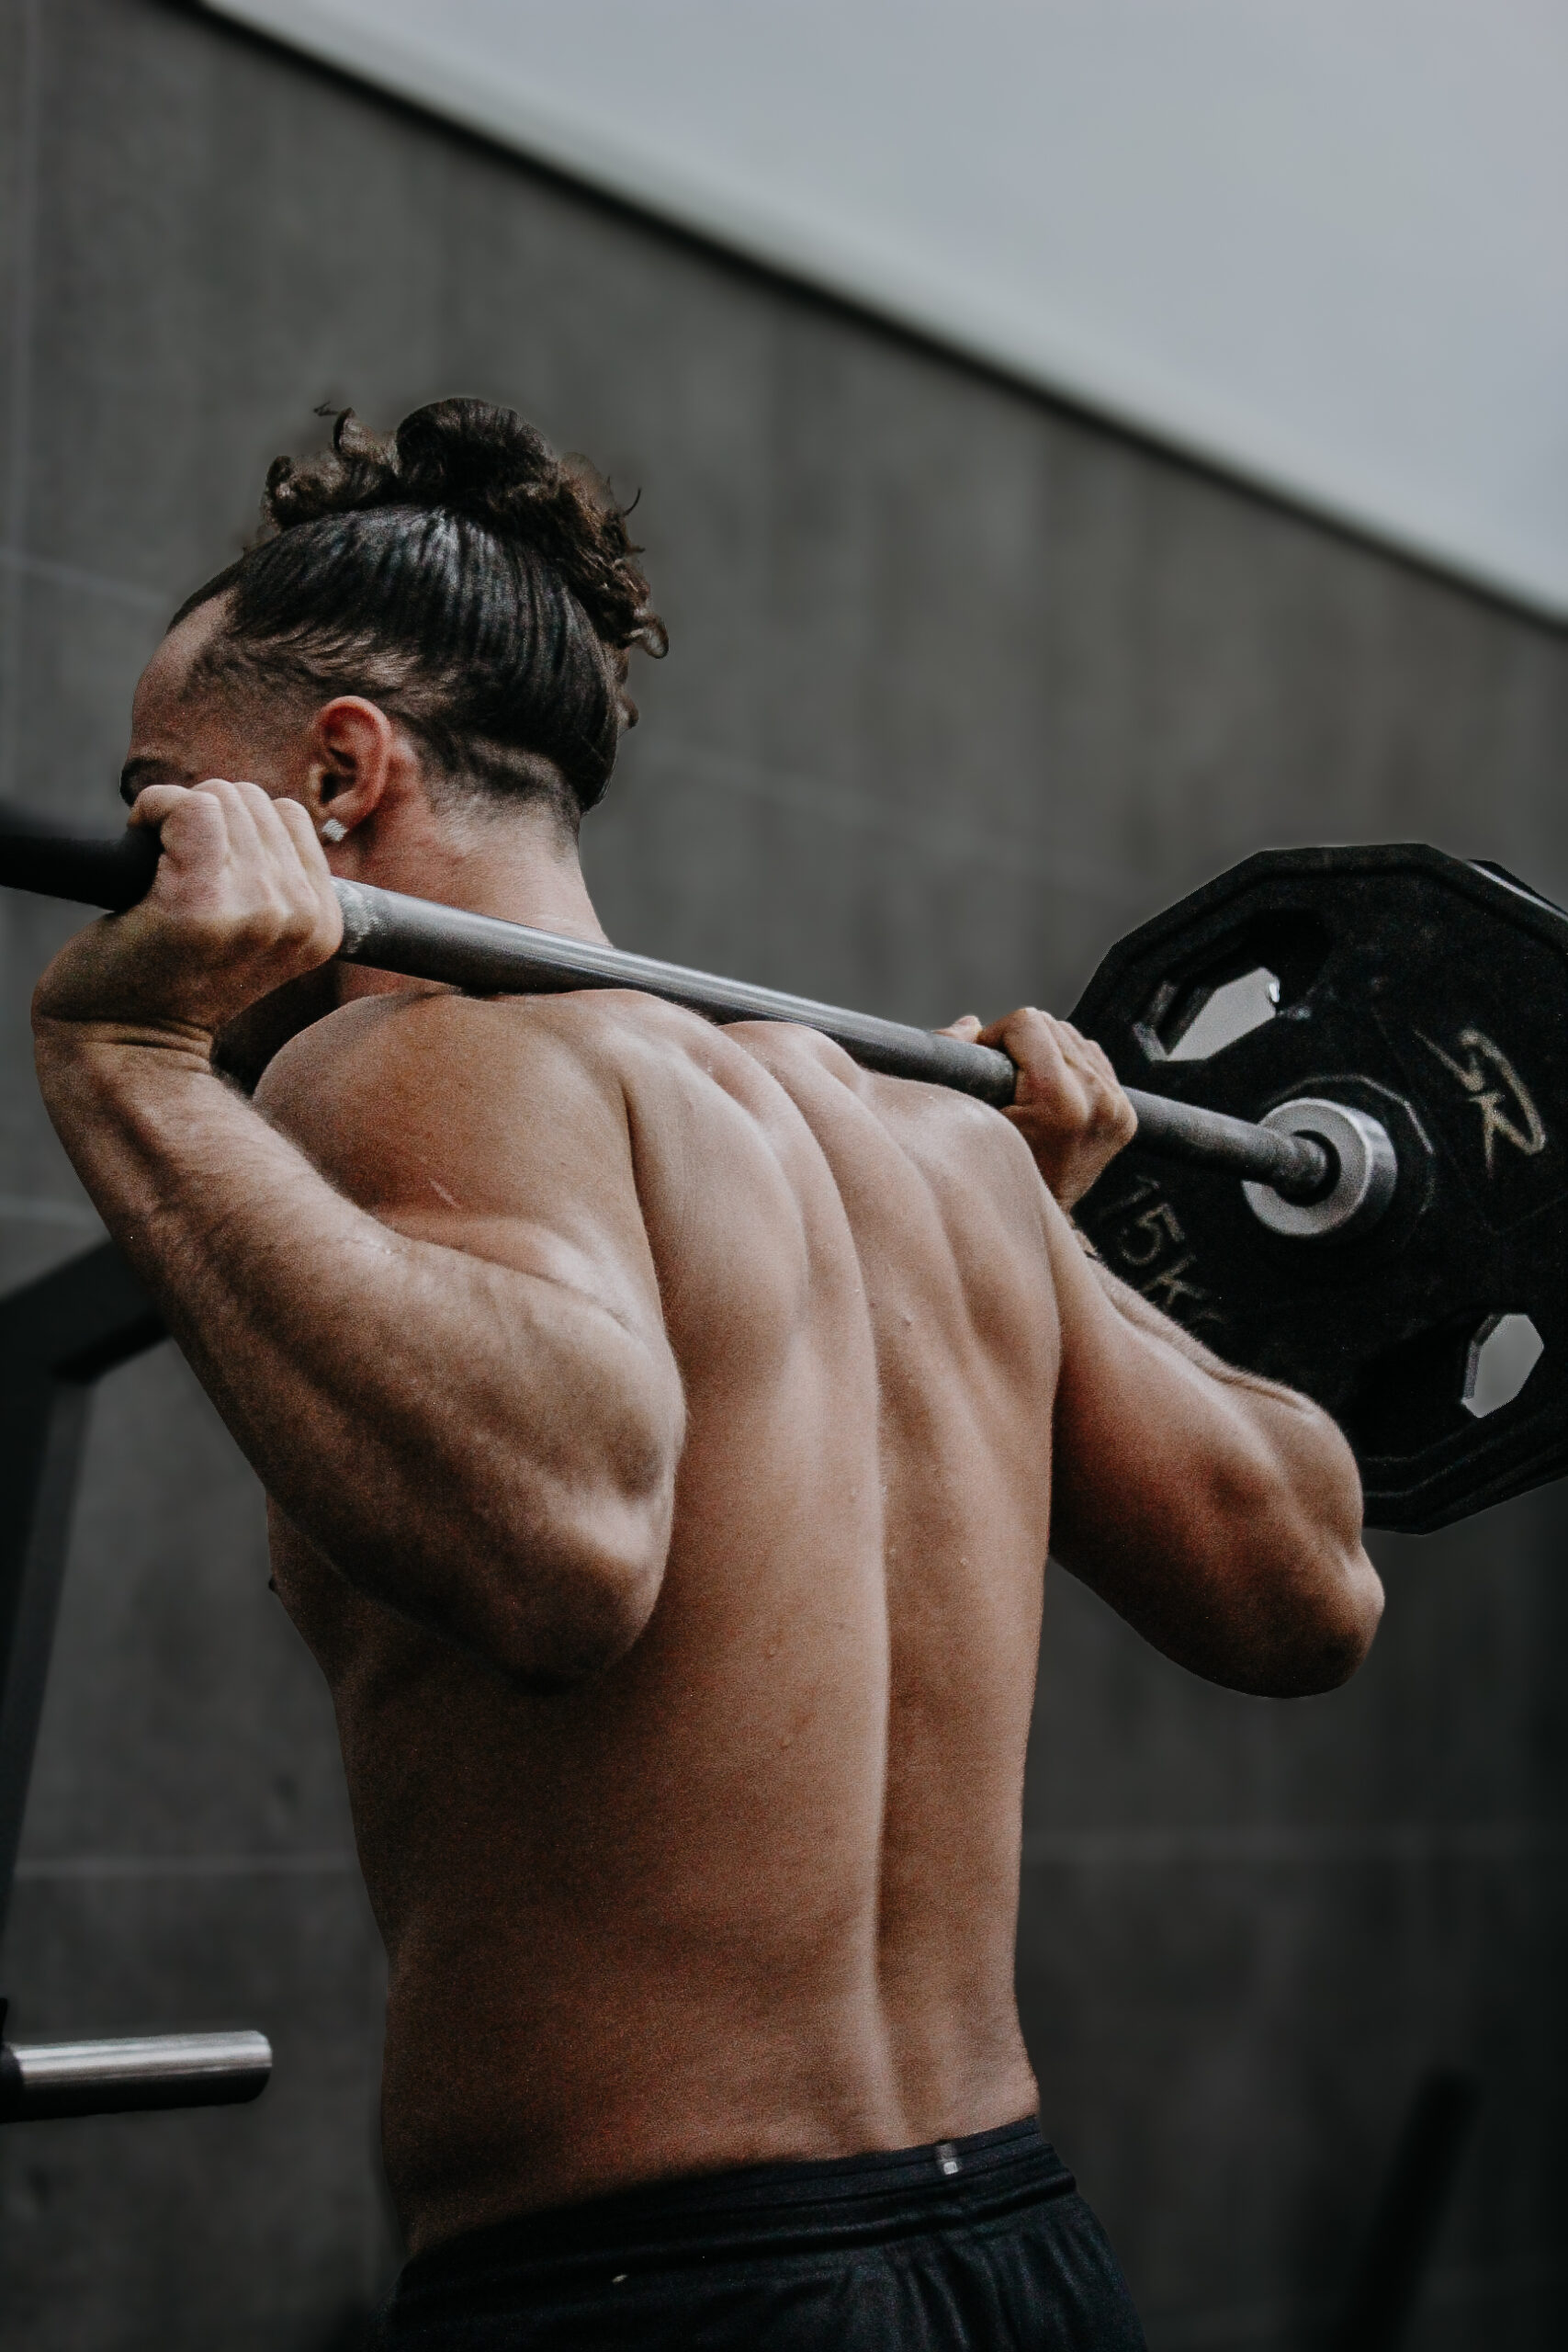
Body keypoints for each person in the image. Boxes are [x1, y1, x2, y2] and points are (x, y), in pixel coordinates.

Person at [31, 400, 1383, 2349]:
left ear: (335, 774)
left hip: (661, 2289)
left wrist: (128, 1070)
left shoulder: (415, 1054)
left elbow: (566, 1537)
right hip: (1016, 2253)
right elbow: (1307, 1580)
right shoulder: (928, 1148)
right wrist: (1046, 1226)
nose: (132, 848)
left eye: (163, 792)